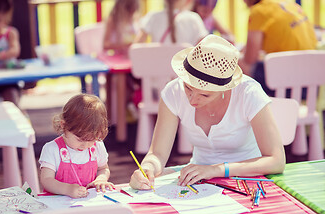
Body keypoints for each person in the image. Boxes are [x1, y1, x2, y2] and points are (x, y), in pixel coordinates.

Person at [129, 34, 285, 190]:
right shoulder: (173, 91)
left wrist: (216, 170)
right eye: (188, 87)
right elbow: (157, 153)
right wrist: (148, 168)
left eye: (205, 95)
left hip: (248, 179)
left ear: (226, 88)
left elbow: (276, 160)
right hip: (198, 177)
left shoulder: (248, 93)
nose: (192, 100)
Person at [39, 94, 115, 198]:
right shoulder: (52, 149)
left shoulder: (97, 146)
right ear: (64, 125)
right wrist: (67, 189)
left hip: (88, 204)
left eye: (91, 140)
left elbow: (103, 168)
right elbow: (46, 180)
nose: (85, 145)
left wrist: (101, 179)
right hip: (59, 205)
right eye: (80, 139)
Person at [238, 0, 317, 96]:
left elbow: (249, 59)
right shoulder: (291, 4)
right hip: (311, 83)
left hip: (286, 86)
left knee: (237, 64)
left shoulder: (258, 11)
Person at [134, 0, 208, 45]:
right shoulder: (194, 18)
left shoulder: (152, 17)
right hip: (183, 70)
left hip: (156, 69)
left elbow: (137, 46)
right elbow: (205, 46)